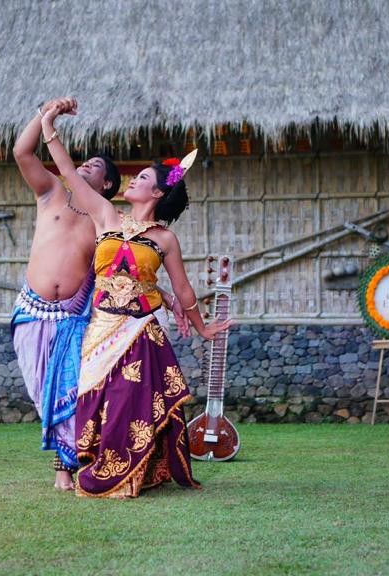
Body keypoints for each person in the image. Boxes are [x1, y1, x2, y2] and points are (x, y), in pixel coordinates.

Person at [39, 98, 233, 498]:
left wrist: (203, 327)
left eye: (141, 176)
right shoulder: (105, 216)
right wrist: (48, 125)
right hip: (100, 327)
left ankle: (128, 475)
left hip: (140, 330)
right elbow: (68, 175)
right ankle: (95, 466)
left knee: (129, 402)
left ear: (157, 191)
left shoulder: (165, 239)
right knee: (94, 401)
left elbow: (182, 290)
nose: (132, 179)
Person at [11, 98, 188, 491]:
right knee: (44, 393)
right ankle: (68, 459)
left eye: (95, 166)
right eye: (82, 163)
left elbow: (128, 271)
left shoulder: (109, 223)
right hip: (32, 310)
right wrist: (44, 117)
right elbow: (22, 151)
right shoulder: (51, 192)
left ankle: (66, 466)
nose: (85, 166)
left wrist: (172, 299)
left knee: (73, 388)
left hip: (77, 316)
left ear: (107, 185)